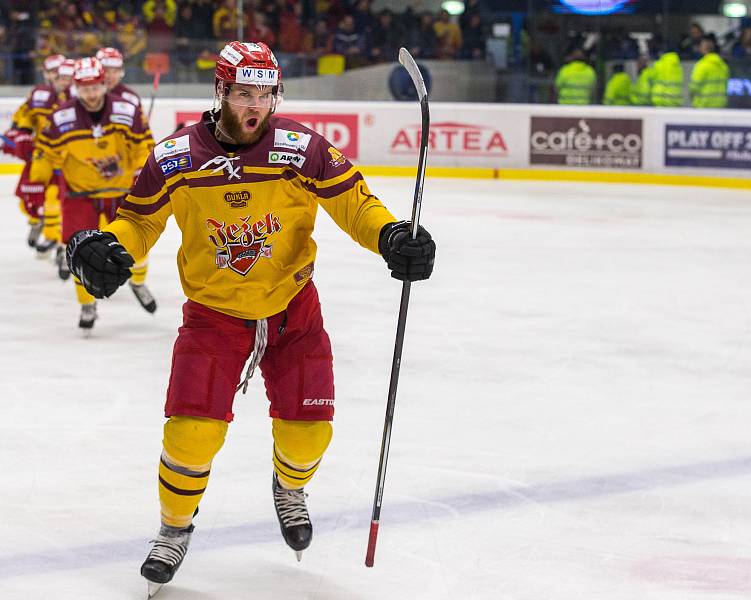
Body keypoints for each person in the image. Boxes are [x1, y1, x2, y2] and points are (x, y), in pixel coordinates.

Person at [64, 41, 436, 596]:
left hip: (293, 312)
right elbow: (137, 223)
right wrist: (110, 248)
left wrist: (388, 235)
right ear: (221, 92)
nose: (255, 106)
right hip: (214, 317)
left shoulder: (302, 149)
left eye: (266, 93)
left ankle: (289, 488)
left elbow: (354, 202)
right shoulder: (176, 158)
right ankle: (173, 529)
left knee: (310, 435)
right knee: (191, 435)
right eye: (243, 93)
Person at [31, 57, 157, 333]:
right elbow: (45, 151)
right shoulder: (61, 117)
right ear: (75, 87)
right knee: (80, 253)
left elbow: (144, 144)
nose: (90, 93)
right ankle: (87, 304)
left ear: (104, 84)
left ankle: (138, 282)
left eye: (95, 86)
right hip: (81, 194)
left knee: (137, 245)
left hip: (121, 193)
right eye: (84, 88)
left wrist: (141, 172)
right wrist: (37, 180)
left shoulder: (126, 110)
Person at [2, 54, 70, 253]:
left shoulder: (75, 95)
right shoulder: (39, 94)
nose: (56, 78)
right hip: (40, 155)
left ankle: (57, 240)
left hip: (66, 158)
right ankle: (36, 222)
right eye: (51, 73)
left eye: (59, 73)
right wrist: (20, 134)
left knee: (58, 200)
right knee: (31, 198)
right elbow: (25, 115)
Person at [690, 35, 730, 108]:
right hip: (720, 106)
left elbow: (694, 87)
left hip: (703, 106)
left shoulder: (702, 65)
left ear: (703, 49)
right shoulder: (723, 65)